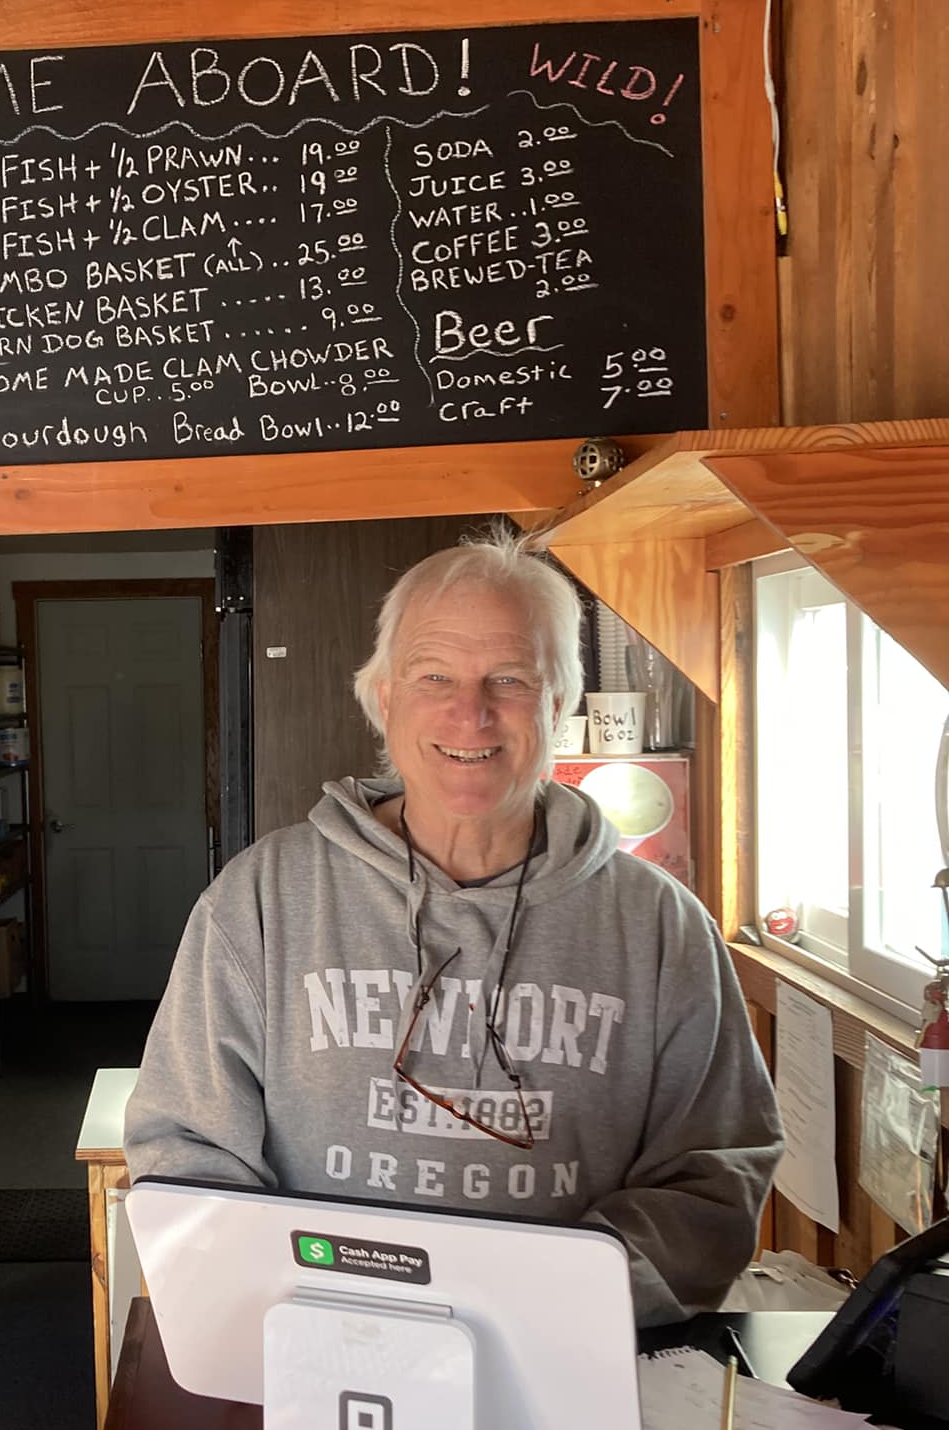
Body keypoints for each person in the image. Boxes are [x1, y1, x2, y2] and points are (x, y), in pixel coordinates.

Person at [124, 528, 783, 1324]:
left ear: (559, 702)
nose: (470, 714)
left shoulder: (661, 926)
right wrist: (282, 1306)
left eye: (509, 678)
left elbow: (712, 1171)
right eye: (434, 675)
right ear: (383, 696)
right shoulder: (261, 900)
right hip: (320, 1345)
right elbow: (185, 1147)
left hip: (570, 1354)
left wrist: (557, 1307)